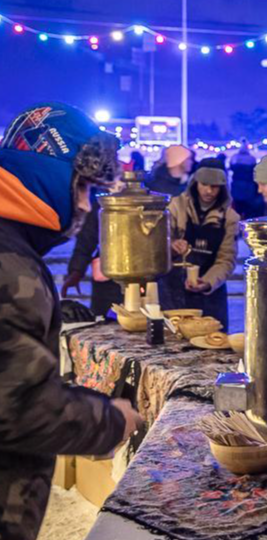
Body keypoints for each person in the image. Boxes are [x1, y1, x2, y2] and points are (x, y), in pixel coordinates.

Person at [0, 103, 143, 540]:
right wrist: (112, 420)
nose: (84, 205)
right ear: (44, 172)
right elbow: (17, 407)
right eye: (82, 188)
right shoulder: (11, 267)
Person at [160, 164, 239, 330]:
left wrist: (208, 282)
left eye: (214, 187)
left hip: (210, 293)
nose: (209, 191)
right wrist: (172, 245)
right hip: (174, 288)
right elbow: (159, 244)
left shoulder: (230, 218)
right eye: (204, 185)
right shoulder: (175, 207)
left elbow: (226, 259)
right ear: (195, 183)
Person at [61, 183, 125, 317]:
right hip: (108, 278)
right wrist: (76, 271)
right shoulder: (100, 207)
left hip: (143, 277)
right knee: (103, 320)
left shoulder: (146, 206)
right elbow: (86, 241)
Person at [229, 139, 263, 219]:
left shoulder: (234, 158)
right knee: (248, 209)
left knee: (237, 208)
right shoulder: (252, 159)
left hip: (238, 186)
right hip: (248, 187)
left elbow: (231, 167)